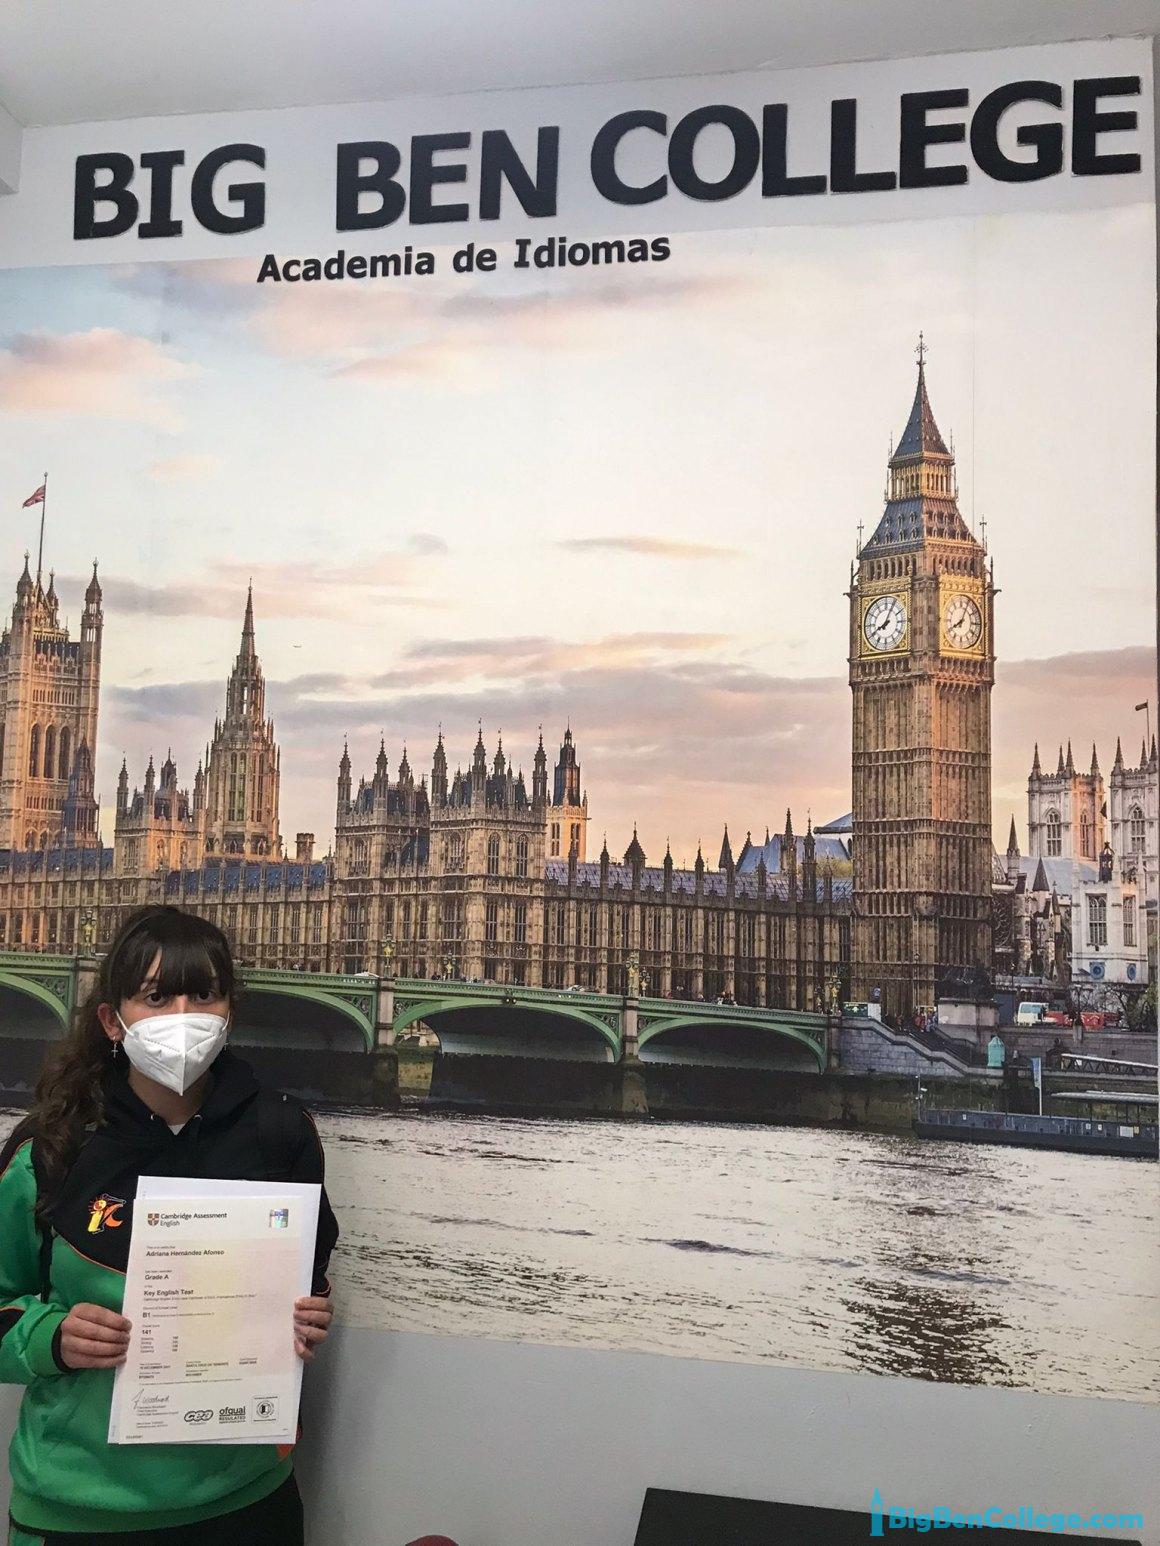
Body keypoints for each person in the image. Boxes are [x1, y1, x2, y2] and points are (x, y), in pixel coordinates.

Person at [0, 905, 339, 1545]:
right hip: (81, 1511)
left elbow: (310, 1281)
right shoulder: (50, 1149)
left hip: (248, 1503)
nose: (183, 1016)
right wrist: (50, 1337)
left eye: (203, 995)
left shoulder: (281, 1134)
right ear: (112, 1020)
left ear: (229, 1012)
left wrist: (310, 1314)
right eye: (156, 997)